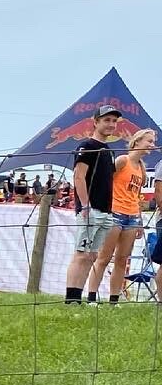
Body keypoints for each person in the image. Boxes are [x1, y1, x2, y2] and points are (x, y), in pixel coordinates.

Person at [85, 129, 156, 303]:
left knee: (122, 259)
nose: (152, 145)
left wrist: (139, 219)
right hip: (115, 212)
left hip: (132, 216)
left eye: (153, 142)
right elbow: (105, 181)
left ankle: (114, 299)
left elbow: (136, 196)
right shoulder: (122, 161)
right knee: (104, 257)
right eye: (149, 141)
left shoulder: (142, 168)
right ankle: (92, 297)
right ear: (137, 141)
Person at [64, 105, 123, 303]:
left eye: (114, 121)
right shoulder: (87, 146)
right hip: (91, 209)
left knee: (92, 255)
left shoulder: (109, 150)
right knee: (81, 254)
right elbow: (79, 177)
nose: (111, 124)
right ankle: (71, 299)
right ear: (95, 122)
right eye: (106, 120)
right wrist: (85, 205)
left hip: (106, 210)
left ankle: (78, 297)